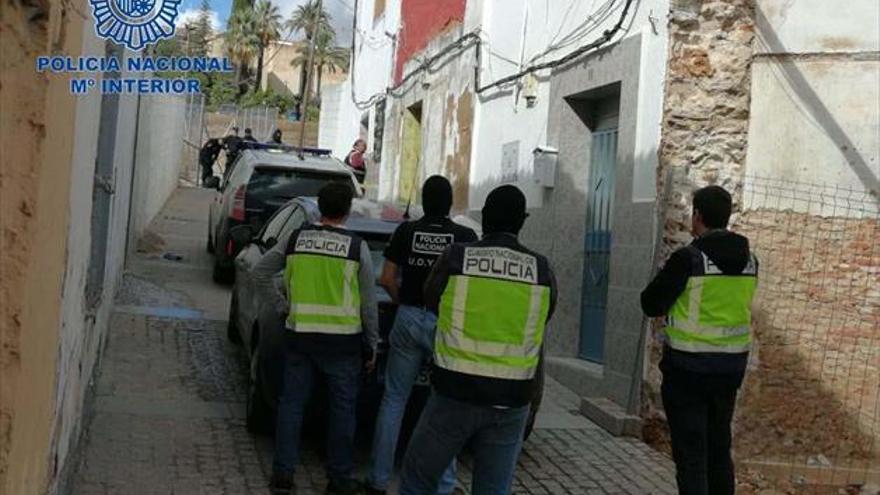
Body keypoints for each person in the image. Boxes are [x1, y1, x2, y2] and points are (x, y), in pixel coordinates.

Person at [398, 185, 557, 495]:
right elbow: (544, 315)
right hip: (511, 398)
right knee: (493, 489)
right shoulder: (541, 269)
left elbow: (431, 299)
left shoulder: (457, 257)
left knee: (418, 477)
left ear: (483, 218)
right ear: (522, 221)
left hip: (455, 392)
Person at [253, 182, 379, 495]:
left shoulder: (296, 239)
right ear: (348, 210)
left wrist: (284, 307)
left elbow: (259, 271)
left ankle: (283, 475)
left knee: (292, 406)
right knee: (342, 412)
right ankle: (338, 478)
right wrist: (372, 344)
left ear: (320, 208)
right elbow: (368, 303)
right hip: (343, 345)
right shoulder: (356, 247)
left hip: (301, 338)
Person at [640, 185, 758, 495]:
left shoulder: (688, 259)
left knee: (692, 456)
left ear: (698, 216)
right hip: (730, 370)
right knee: (719, 450)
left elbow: (651, 303)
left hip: (687, 371)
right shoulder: (750, 261)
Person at [365, 176, 478, 495]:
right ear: (450, 203)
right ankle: (444, 484)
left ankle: (377, 479)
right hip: (446, 324)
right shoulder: (464, 236)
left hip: (409, 316)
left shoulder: (406, 231)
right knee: (447, 403)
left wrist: (405, 304)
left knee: (394, 399)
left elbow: (386, 278)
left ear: (423, 202)